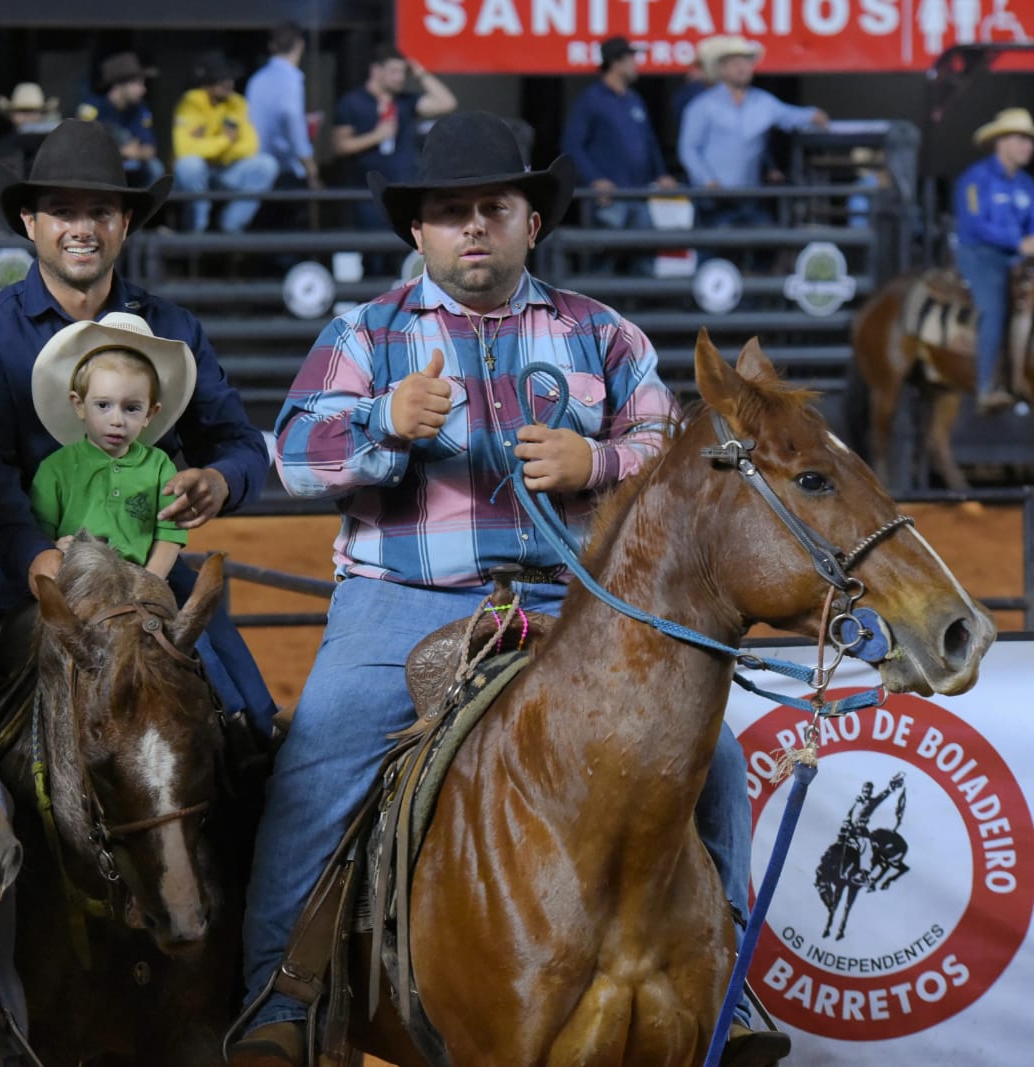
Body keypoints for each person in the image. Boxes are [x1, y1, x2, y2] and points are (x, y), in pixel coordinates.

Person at [228, 111, 787, 1067]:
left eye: (495, 207)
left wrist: (598, 458)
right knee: (321, 752)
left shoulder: (600, 333)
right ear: (418, 233)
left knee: (720, 762)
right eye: (451, 213)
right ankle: (282, 988)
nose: (473, 227)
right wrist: (384, 420)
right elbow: (294, 457)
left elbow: (673, 445)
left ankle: (729, 992)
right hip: (404, 599)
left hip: (577, 608)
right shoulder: (365, 334)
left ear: (535, 222)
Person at [0, 118, 279, 736]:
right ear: (31, 224)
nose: (82, 228)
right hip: (12, 569)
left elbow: (238, 443)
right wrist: (39, 558)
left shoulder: (175, 329)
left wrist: (220, 482)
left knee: (243, 719)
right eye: (62, 211)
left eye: (101, 211)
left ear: (124, 224)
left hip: (145, 567)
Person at [29, 313, 198, 578]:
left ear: (150, 414)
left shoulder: (160, 466)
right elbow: (39, 534)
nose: (117, 421)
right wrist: (53, 547)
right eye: (103, 405)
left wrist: (150, 583)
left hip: (139, 580)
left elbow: (169, 535)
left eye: (132, 408)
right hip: (75, 582)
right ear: (79, 405)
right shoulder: (55, 468)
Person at [678, 35, 828, 229]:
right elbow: (688, 149)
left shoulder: (763, 102)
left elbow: (790, 114)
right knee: (715, 252)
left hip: (750, 197)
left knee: (765, 243)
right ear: (722, 69)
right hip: (714, 199)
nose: (742, 68)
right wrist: (707, 180)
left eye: (746, 62)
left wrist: (813, 114)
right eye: (735, 63)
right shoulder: (702, 106)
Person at [561, 34, 676, 271]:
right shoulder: (591, 100)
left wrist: (661, 173)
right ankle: (595, 309)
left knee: (644, 258)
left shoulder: (634, 99)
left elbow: (650, 142)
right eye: (631, 57)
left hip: (640, 195)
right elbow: (571, 145)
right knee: (604, 260)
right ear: (616, 62)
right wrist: (594, 180)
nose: (637, 63)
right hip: (609, 200)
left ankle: (643, 307)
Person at [953, 105, 1034, 413]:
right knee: (994, 308)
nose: (1029, 145)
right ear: (1001, 142)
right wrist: (1019, 242)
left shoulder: (1027, 184)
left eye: (1030, 139)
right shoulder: (976, 179)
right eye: (1021, 138)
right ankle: (986, 386)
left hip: (1016, 257)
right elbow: (974, 224)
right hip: (979, 255)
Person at [331, 44, 458, 231]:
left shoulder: (406, 101)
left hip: (403, 192)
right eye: (393, 71)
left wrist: (421, 73)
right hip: (367, 195)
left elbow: (447, 103)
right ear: (376, 70)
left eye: (402, 72)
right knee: (372, 252)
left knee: (403, 251)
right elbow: (339, 146)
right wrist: (377, 136)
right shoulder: (352, 102)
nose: (400, 77)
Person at [171, 50, 280, 234]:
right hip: (200, 174)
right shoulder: (191, 101)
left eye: (230, 79)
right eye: (221, 79)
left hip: (227, 170)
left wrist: (213, 148)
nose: (228, 83)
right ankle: (197, 231)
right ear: (207, 83)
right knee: (190, 165)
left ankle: (231, 227)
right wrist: (225, 141)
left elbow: (250, 146)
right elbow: (185, 149)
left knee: (267, 164)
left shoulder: (237, 103)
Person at [246, 21, 322, 195]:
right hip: (286, 170)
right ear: (300, 45)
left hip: (258, 166)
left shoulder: (257, 79)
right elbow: (291, 117)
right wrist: (309, 165)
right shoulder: (291, 80)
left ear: (271, 45)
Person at [76, 51, 164, 189]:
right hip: (100, 167)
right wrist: (120, 151)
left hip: (133, 164)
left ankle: (143, 209)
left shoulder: (140, 109)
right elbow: (80, 145)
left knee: (155, 167)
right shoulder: (93, 106)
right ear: (117, 85)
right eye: (136, 83)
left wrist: (137, 153)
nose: (143, 89)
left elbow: (150, 148)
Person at [0, 81, 62, 180]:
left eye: (33, 111)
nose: (28, 116)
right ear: (12, 114)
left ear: (42, 114)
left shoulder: (52, 145)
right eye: (22, 111)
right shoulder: (1, 147)